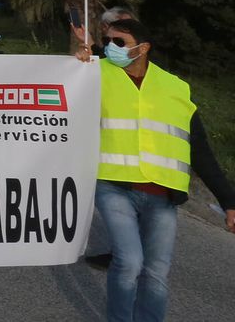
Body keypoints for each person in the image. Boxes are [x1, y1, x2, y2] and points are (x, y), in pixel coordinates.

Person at [81, 18, 235, 322]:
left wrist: (229, 201)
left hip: (162, 193)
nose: (111, 47)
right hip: (113, 186)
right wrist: (78, 62)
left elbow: (199, 149)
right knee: (129, 262)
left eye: (120, 41)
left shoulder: (176, 87)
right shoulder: (93, 73)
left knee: (156, 272)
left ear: (144, 47)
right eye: (108, 40)